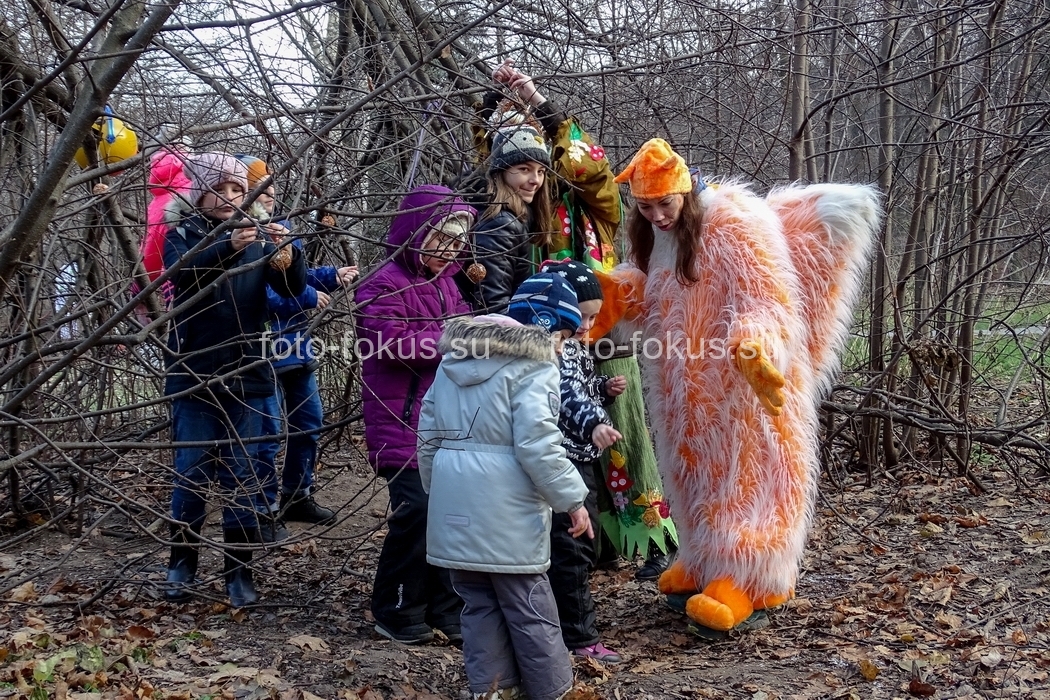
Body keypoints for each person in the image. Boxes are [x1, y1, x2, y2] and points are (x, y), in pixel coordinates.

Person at [596, 138, 879, 632]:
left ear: (686, 191)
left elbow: (768, 299)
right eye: (645, 207)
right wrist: (618, 293)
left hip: (740, 384)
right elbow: (658, 298)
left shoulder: (735, 224)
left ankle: (749, 578)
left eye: (665, 203)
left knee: (744, 478)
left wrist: (754, 347)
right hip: (683, 385)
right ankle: (702, 560)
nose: (657, 215)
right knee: (691, 474)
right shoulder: (658, 237)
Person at [456, 61, 678, 575]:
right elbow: (488, 168)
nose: (534, 176)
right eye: (522, 165)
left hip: (601, 327)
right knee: (562, 431)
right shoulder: (515, 214)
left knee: (619, 425)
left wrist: (541, 105)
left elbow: (591, 168)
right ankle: (591, 543)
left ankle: (651, 540)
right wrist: (489, 109)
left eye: (541, 161)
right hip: (546, 336)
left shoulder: (591, 202)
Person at [418, 272, 593, 700]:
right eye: (562, 336)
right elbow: (538, 443)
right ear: (544, 326)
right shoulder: (534, 366)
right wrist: (573, 499)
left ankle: (493, 690)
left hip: (455, 500)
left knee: (477, 602)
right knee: (529, 602)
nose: (562, 347)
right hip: (507, 507)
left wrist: (436, 490)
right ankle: (552, 690)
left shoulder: (453, 360)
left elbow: (428, 432)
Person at [162, 152, 307, 608]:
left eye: (237, 189)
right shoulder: (182, 232)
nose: (229, 198)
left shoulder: (261, 233)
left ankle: (238, 571)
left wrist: (289, 253)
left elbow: (292, 290)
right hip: (194, 373)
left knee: (243, 474)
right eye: (219, 189)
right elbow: (181, 275)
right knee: (192, 471)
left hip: (248, 372)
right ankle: (181, 563)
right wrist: (228, 247)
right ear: (199, 193)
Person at [355, 185, 477, 645]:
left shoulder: (448, 284)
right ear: (416, 232)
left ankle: (445, 608)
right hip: (400, 420)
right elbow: (389, 344)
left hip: (446, 421)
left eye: (458, 242)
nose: (450, 249)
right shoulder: (381, 284)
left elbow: (466, 328)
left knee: (452, 513)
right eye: (441, 237)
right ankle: (396, 608)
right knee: (418, 512)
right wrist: (454, 342)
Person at [236, 155, 358, 542]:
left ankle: (297, 495)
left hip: (297, 347)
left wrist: (331, 277)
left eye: (272, 191)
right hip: (262, 352)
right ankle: (261, 508)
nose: (269, 197)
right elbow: (260, 296)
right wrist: (307, 297)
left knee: (309, 424)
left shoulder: (282, 229)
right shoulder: (239, 238)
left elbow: (297, 277)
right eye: (260, 190)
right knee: (266, 433)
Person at [539, 260, 625, 663]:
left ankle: (570, 627)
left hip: (578, 456)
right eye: (582, 316)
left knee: (578, 546)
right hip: (566, 459)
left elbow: (581, 387)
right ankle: (578, 636)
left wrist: (602, 389)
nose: (587, 326)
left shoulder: (572, 346)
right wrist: (594, 423)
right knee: (573, 547)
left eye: (593, 317)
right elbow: (567, 396)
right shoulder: (554, 349)